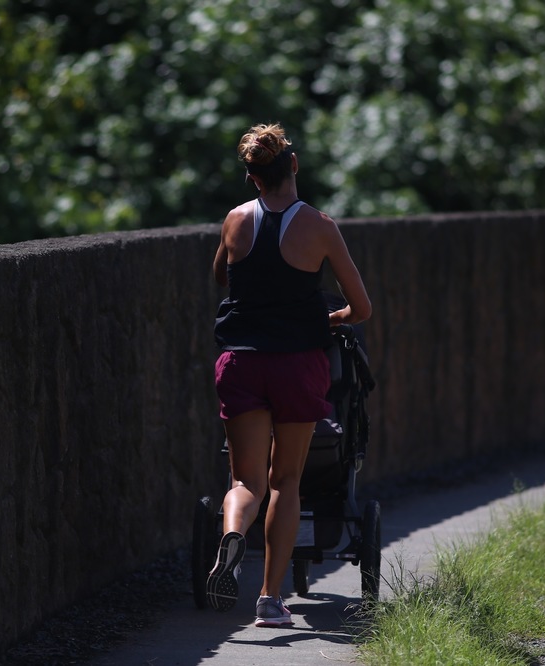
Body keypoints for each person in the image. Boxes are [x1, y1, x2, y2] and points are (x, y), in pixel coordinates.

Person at [207, 123, 372, 627]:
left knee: (246, 480)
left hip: (241, 362)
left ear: (252, 177)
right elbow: (361, 308)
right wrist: (330, 319)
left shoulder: (236, 220)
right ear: (293, 165)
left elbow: (222, 276)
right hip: (297, 365)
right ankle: (269, 599)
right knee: (286, 481)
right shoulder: (319, 226)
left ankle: (232, 533)